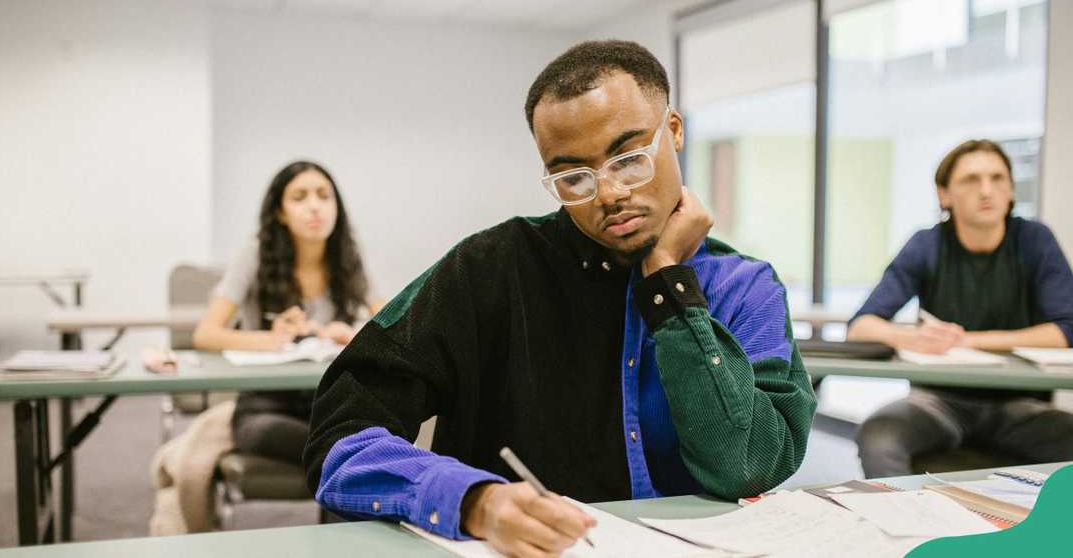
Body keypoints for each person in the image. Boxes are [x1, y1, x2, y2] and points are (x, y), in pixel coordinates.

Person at [303, 40, 816, 556]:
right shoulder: (488, 269)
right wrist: (473, 501)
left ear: (675, 131)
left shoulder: (745, 287)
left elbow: (749, 466)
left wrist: (668, 284)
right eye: (574, 178)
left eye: (629, 159)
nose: (610, 194)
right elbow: (340, 437)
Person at [848, 139, 1073, 478]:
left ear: (1011, 190)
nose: (986, 190)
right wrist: (913, 338)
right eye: (971, 179)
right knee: (878, 437)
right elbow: (861, 326)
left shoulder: (1034, 240)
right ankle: (899, 513)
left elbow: (1066, 330)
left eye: (997, 178)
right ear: (944, 195)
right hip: (938, 403)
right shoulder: (927, 244)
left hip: (1021, 406)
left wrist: (967, 340)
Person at [193, 160, 378, 465]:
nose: (314, 207)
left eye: (324, 196)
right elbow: (206, 334)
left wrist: (353, 335)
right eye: (299, 197)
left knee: (357, 441)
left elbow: (391, 328)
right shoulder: (254, 255)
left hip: (333, 402)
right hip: (266, 407)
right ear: (280, 212)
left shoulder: (349, 257)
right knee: (339, 449)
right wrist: (270, 339)